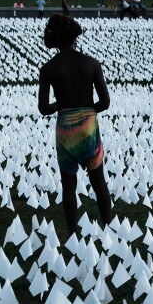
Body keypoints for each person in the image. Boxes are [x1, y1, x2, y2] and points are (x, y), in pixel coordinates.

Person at [38, 14, 112, 238]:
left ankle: (73, 231)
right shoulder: (91, 63)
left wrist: (61, 106)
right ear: (74, 37)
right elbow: (105, 102)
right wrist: (87, 111)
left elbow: (43, 108)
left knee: (68, 182)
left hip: (65, 131)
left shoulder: (49, 68)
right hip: (88, 127)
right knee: (98, 179)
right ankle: (107, 225)